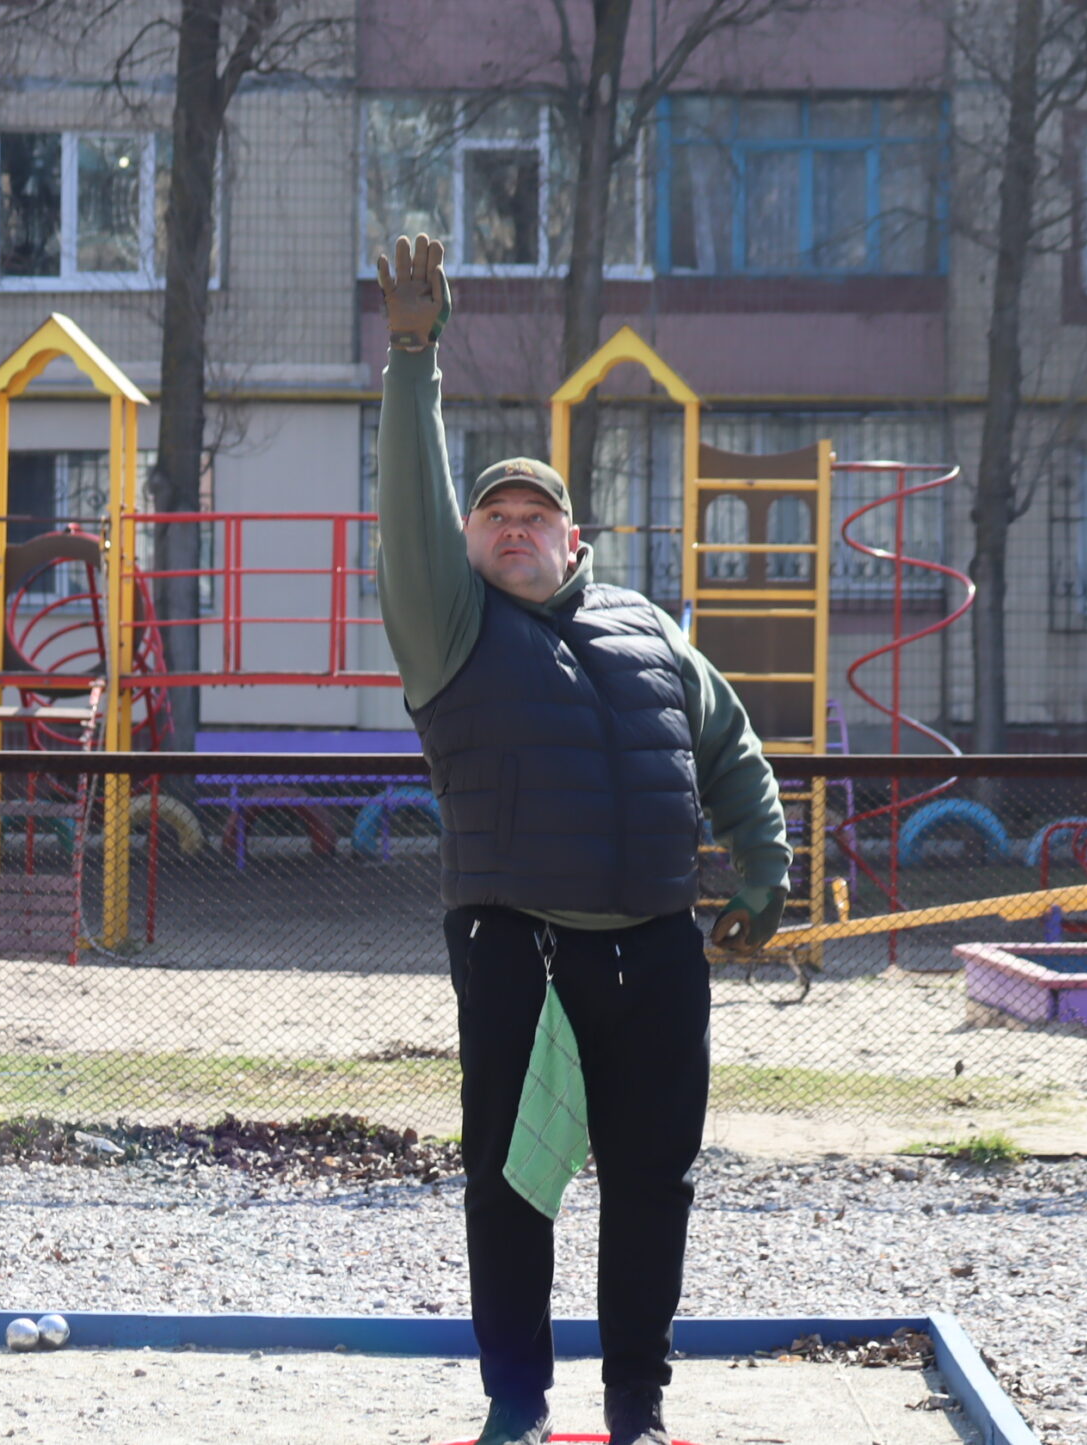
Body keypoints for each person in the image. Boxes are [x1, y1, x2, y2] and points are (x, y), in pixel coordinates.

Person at [371, 234, 792, 1445]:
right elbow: (410, 508)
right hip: (520, 951)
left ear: (572, 537)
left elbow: (730, 748)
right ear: (466, 541)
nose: (514, 528)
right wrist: (414, 358)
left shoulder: (647, 627)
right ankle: (516, 1402)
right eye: (492, 516)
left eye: (535, 515)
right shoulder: (448, 629)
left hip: (656, 951)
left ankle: (634, 1406)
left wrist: (762, 868)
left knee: (653, 1184)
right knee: (514, 1185)